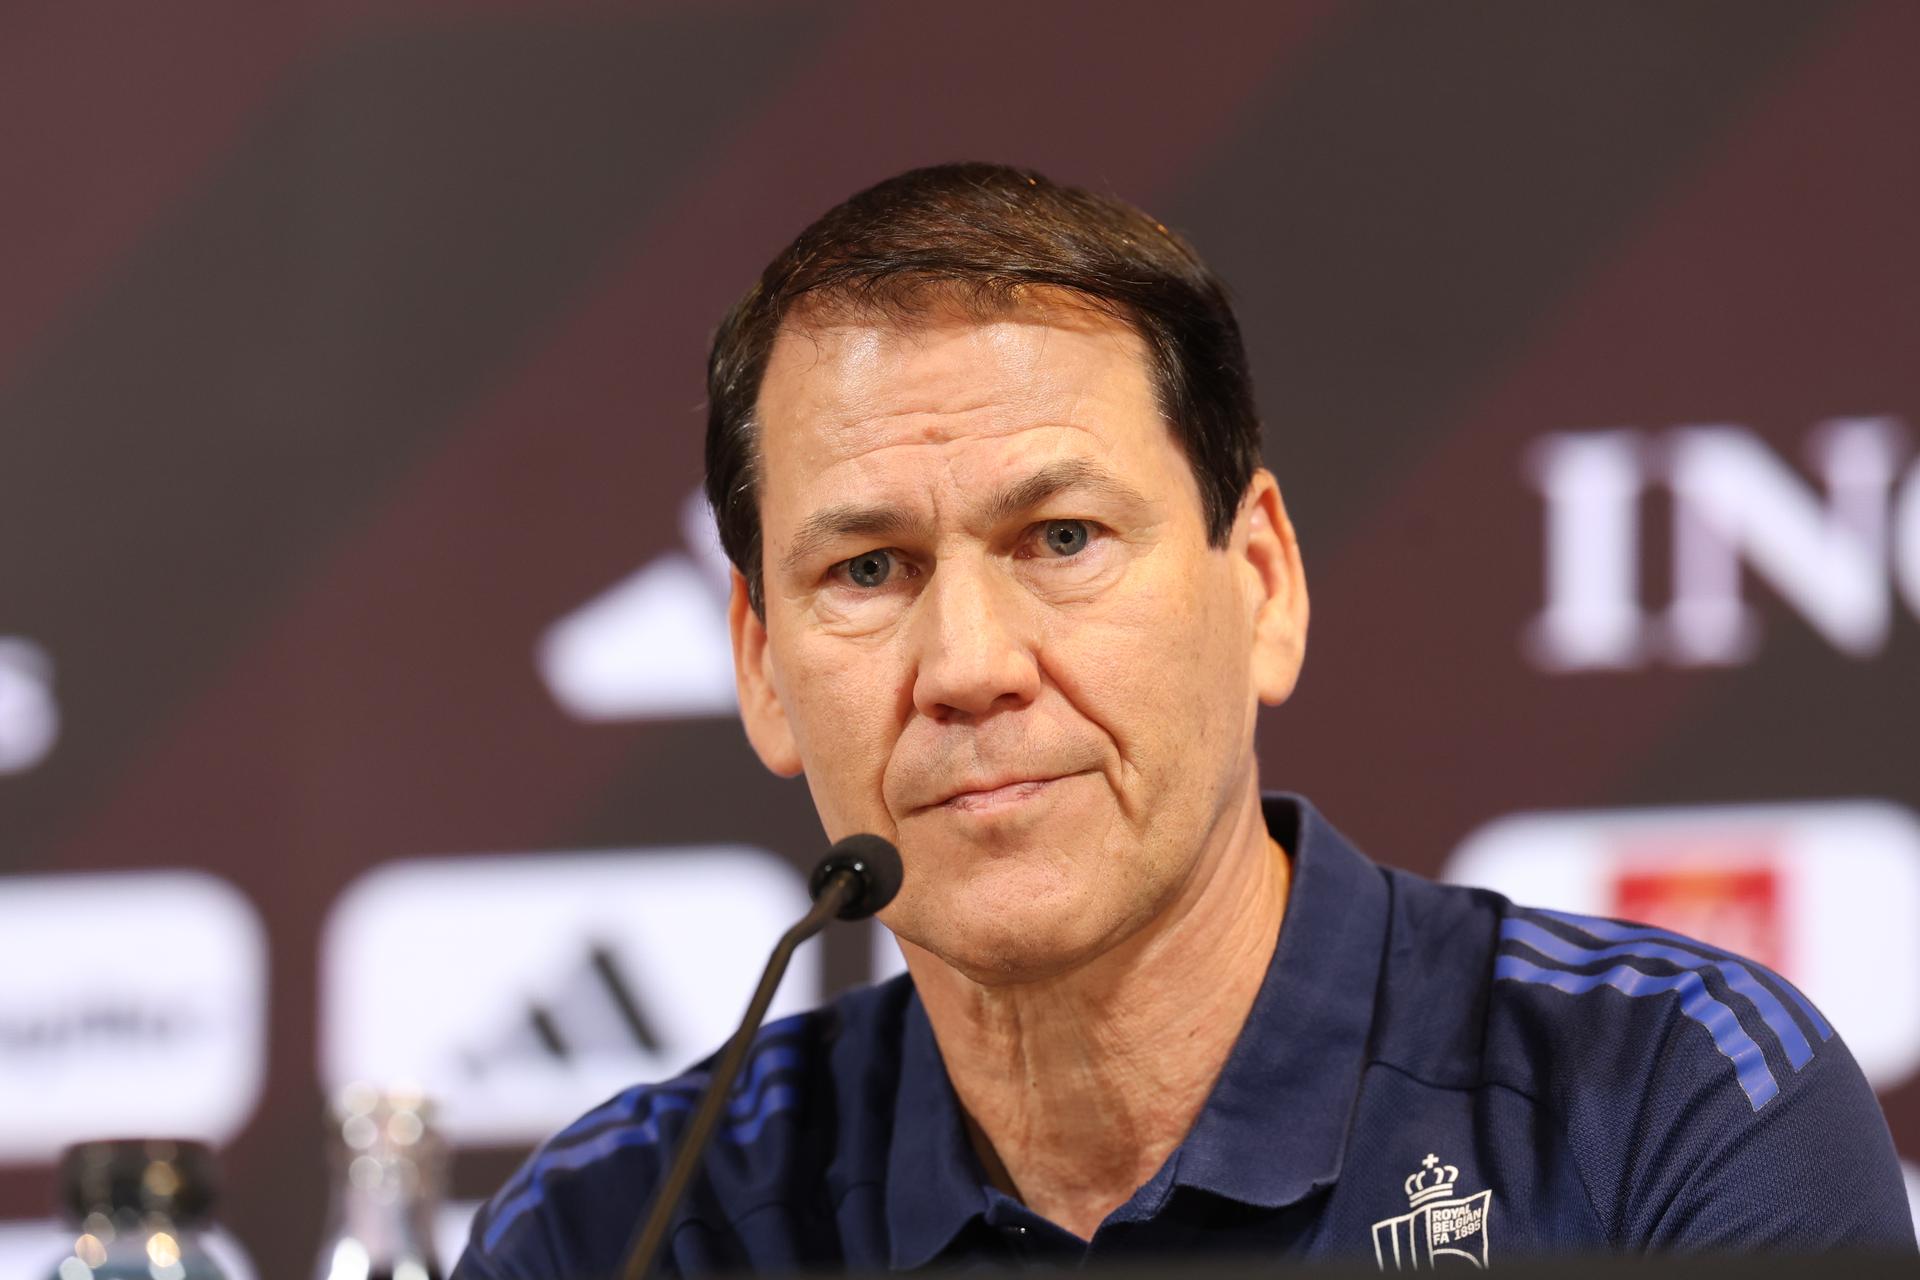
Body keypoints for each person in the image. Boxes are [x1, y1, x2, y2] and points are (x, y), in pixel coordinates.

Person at [453, 163, 1916, 1276]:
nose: (968, 665)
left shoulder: (1656, 1105)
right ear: (763, 670)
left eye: (1064, 539)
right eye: (870, 570)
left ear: (1262, 581)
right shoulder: (629, 1228)